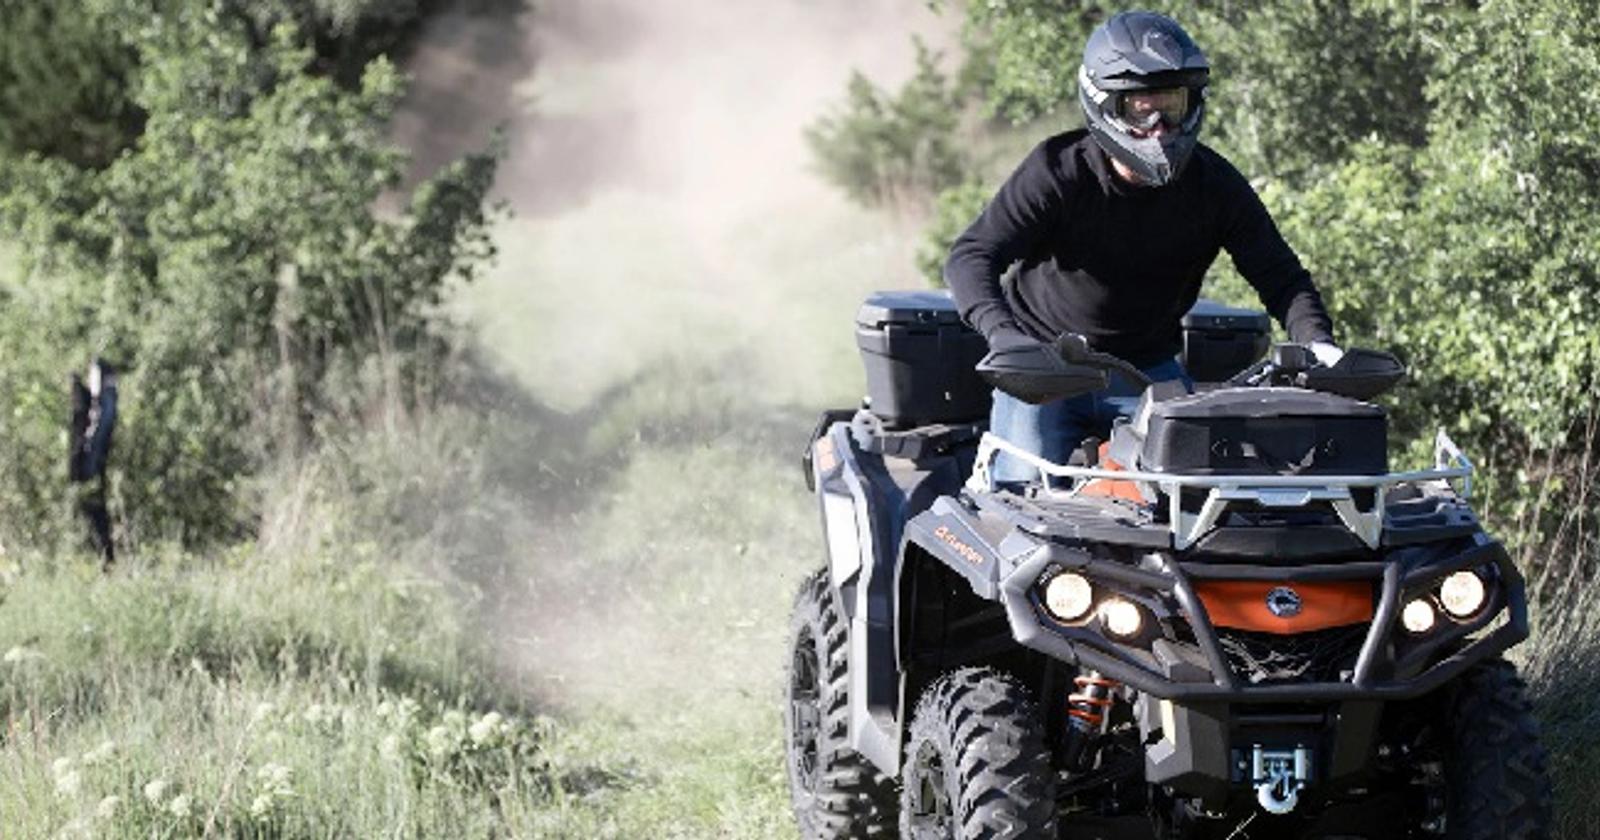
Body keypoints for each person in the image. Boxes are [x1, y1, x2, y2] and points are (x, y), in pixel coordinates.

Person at [945, 10, 1341, 485]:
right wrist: (1006, 338)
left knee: (1191, 497)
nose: (1159, 125)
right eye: (1141, 108)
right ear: (1105, 105)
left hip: (1150, 372)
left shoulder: (1215, 186)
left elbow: (1281, 276)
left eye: (1171, 105)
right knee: (1020, 495)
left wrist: (1318, 344)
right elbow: (972, 255)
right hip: (1045, 368)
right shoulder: (1058, 171)